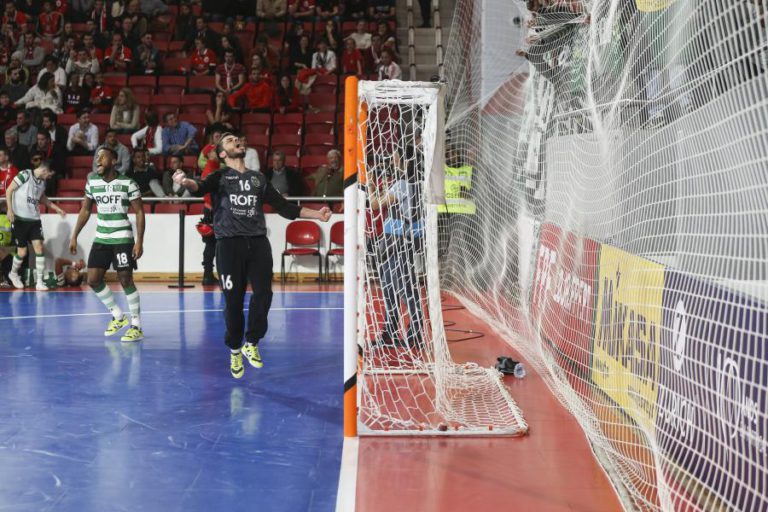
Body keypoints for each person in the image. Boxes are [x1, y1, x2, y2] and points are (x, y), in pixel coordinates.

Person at [172, 132, 332, 378]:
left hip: (257, 244)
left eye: (237, 138)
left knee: (264, 294)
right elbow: (199, 188)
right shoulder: (220, 176)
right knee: (233, 302)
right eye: (228, 140)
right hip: (228, 245)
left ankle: (251, 342)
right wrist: (185, 182)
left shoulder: (258, 179)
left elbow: (285, 207)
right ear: (222, 153)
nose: (236, 140)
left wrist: (317, 214)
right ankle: (235, 349)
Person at [69, 146, 145, 342]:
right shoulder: (92, 182)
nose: (97, 160)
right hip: (101, 238)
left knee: (125, 279)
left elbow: (139, 212)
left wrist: (139, 241)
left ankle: (136, 325)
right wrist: (74, 235)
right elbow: (85, 210)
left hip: (122, 238)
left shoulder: (128, 183)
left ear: (114, 160)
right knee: (93, 280)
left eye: (102, 157)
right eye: (96, 157)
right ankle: (118, 316)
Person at [366, 142, 426, 347]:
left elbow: (375, 205)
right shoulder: (415, 182)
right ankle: (392, 331)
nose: (392, 160)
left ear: (405, 160)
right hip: (401, 240)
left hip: (399, 241)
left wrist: (370, 186)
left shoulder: (402, 185)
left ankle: (414, 333)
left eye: (395, 157)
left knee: (402, 288)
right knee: (392, 287)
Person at [5, 161, 65, 290]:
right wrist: (10, 210)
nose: (50, 177)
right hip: (20, 220)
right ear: (45, 170)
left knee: (39, 248)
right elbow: (9, 190)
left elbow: (42, 198)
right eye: (50, 174)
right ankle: (13, 274)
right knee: (22, 252)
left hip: (34, 220)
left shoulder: (42, 183)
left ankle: (39, 282)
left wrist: (57, 208)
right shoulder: (24, 175)